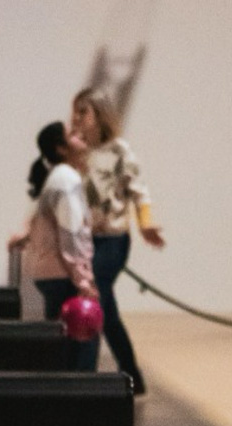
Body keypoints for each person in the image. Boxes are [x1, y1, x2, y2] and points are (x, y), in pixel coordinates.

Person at [71, 87, 164, 394]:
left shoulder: (119, 151)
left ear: (100, 114)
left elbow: (139, 191)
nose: (77, 118)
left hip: (113, 241)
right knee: (107, 312)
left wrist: (145, 224)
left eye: (83, 112)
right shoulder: (78, 153)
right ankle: (132, 374)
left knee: (92, 296)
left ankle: (85, 376)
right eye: (75, 111)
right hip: (87, 242)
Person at [9, 121, 99, 371]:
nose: (80, 135)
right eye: (72, 134)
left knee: (62, 344)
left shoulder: (59, 178)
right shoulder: (66, 180)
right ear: (61, 148)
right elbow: (70, 234)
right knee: (82, 340)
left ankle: (64, 391)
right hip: (63, 275)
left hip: (54, 274)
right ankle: (79, 393)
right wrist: (83, 281)